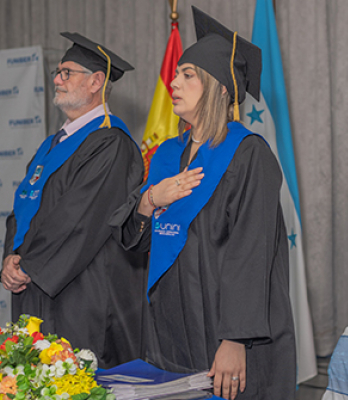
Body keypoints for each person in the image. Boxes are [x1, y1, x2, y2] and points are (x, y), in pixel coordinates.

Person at [109, 7, 295, 400]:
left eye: (186, 75)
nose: (172, 82)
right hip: (167, 327)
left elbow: (252, 253)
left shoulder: (247, 156)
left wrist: (235, 339)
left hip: (223, 332)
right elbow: (138, 243)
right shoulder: (164, 156)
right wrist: (149, 200)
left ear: (219, 88)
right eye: (176, 73)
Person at [0, 33, 147, 369]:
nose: (56, 79)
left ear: (96, 81)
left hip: (81, 296)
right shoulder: (51, 145)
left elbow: (77, 221)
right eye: (57, 72)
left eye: (67, 72)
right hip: (35, 286)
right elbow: (24, 207)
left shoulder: (111, 144)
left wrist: (27, 265)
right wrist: (11, 256)